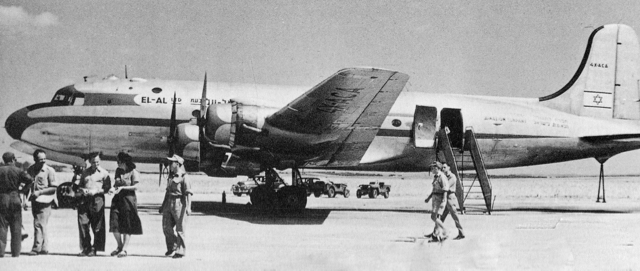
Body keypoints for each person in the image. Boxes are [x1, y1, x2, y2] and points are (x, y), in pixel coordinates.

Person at [76, 152, 111, 256]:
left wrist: (97, 191)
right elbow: (79, 186)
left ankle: (95, 248)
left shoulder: (104, 173)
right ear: (90, 162)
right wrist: (82, 190)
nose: (95, 164)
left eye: (97, 162)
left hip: (97, 200)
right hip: (84, 200)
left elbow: (107, 188)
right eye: (93, 162)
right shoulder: (85, 172)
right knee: (83, 223)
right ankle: (86, 247)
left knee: (97, 225)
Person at [108, 152, 143, 258]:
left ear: (124, 162)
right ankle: (119, 246)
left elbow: (136, 187)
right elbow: (116, 184)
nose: (117, 163)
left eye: (118, 161)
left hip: (128, 200)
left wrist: (123, 188)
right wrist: (112, 189)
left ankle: (124, 249)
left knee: (127, 224)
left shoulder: (133, 172)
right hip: (117, 199)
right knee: (114, 223)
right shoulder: (118, 171)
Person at [0, 152, 33, 257]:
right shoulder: (18, 171)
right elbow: (30, 180)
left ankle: (0, 252)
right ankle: (15, 252)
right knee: (16, 225)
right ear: (13, 159)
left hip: (2, 198)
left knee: (2, 225)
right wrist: (23, 190)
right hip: (15, 197)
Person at [26, 149, 58, 255]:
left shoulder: (50, 170)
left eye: (45, 159)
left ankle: (36, 248)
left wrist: (40, 192)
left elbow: (53, 188)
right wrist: (26, 200)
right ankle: (44, 247)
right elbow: (28, 185)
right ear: (35, 159)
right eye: (40, 159)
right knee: (41, 224)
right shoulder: (30, 169)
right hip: (35, 201)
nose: (43, 161)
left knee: (38, 224)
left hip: (45, 200)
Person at [160, 154, 192, 259]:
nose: (169, 164)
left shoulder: (184, 177)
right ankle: (172, 246)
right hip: (169, 202)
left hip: (179, 203)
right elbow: (167, 191)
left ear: (177, 164)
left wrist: (188, 207)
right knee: (166, 227)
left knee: (180, 228)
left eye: (171, 162)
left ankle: (180, 251)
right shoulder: (171, 176)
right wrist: (163, 205)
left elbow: (188, 193)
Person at [425, 161, 448, 242]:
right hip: (435, 198)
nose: (431, 169)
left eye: (433, 168)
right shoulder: (436, 176)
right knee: (437, 217)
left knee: (433, 217)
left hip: (440, 198)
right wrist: (429, 198)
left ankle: (445, 231)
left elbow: (445, 189)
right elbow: (434, 189)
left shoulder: (442, 176)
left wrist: (444, 200)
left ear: (437, 168)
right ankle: (436, 235)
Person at [442, 162, 465, 240]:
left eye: (444, 167)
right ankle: (435, 233)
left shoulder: (452, 176)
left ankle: (461, 233)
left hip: (450, 198)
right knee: (441, 217)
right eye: (442, 168)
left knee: (455, 216)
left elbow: (446, 186)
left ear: (449, 168)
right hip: (446, 197)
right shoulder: (444, 176)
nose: (443, 169)